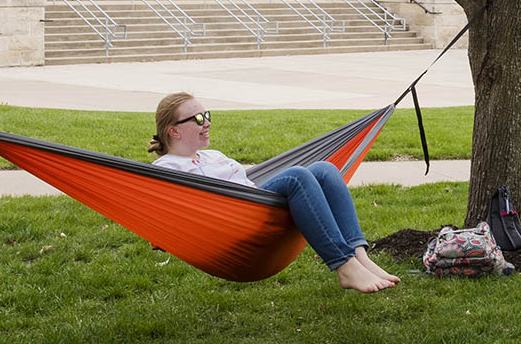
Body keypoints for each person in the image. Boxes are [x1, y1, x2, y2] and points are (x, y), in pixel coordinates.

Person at [148, 92, 400, 293]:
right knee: (297, 177)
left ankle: (359, 256)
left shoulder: (212, 155)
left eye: (207, 115)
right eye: (199, 119)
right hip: (233, 226)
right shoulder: (166, 168)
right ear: (174, 131)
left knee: (325, 169)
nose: (208, 123)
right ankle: (344, 266)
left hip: (255, 207)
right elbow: (165, 210)